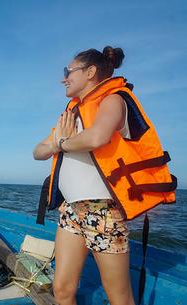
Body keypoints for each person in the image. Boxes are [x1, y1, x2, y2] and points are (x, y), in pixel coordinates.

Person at [33, 46, 176, 305]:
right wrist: (58, 142)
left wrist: (62, 142)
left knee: (119, 297)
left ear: (90, 72)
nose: (63, 78)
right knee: (62, 290)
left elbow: (96, 137)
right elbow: (38, 151)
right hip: (71, 210)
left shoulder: (113, 100)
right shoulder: (71, 113)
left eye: (68, 71)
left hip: (103, 211)